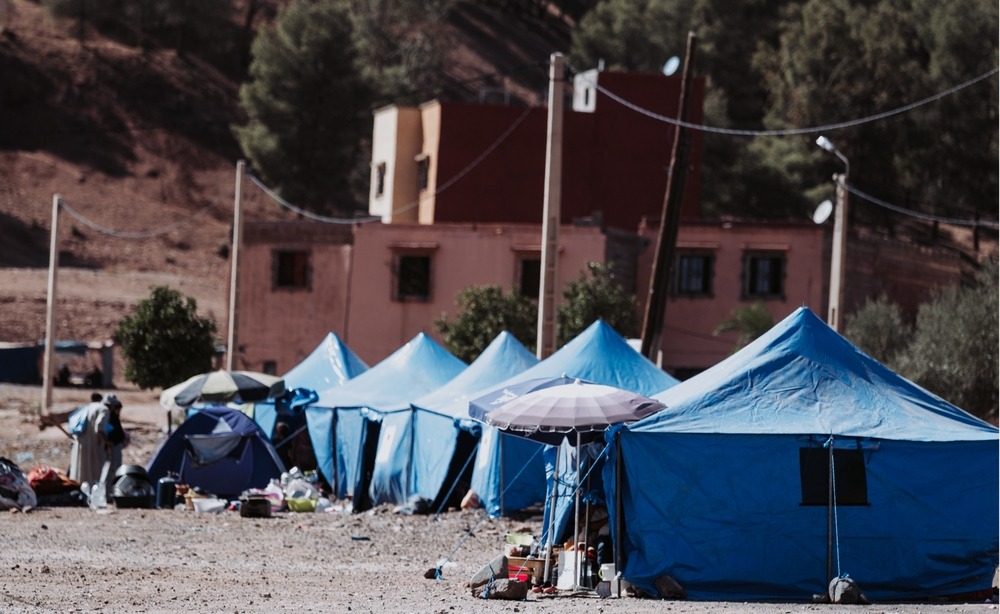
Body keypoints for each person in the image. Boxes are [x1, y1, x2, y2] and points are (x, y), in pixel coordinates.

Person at [68, 393, 125, 491]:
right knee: (95, 470)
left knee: (82, 468)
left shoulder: (91, 406)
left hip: (83, 442)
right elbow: (99, 428)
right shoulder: (104, 410)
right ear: (111, 405)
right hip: (94, 445)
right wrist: (107, 442)